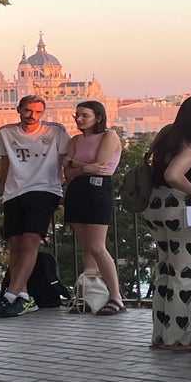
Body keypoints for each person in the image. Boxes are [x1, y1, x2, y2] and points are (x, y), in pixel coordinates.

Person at [143, 93, 191, 353]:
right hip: (181, 210)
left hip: (157, 205)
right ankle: (183, 338)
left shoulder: (168, 135)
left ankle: (162, 335)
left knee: (166, 271)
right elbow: (174, 175)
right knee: (185, 273)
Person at [0, 96, 70, 319]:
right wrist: (5, 191)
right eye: (29, 110)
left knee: (30, 242)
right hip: (15, 192)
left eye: (38, 112)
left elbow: (66, 160)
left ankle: (10, 296)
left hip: (45, 190)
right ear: (19, 110)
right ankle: (23, 296)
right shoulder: (5, 132)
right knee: (15, 245)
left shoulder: (56, 132)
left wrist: (65, 189)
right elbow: (5, 164)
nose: (33, 115)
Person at [62, 100, 125, 315]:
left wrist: (74, 164)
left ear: (98, 117)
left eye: (84, 115)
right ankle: (91, 295)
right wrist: (83, 168)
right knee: (87, 246)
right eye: (77, 115)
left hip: (98, 190)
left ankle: (116, 296)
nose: (79, 119)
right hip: (77, 190)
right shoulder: (75, 140)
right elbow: (66, 172)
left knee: (98, 246)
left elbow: (101, 166)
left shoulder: (109, 136)